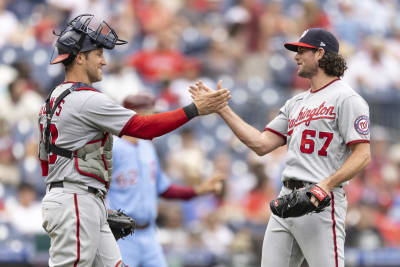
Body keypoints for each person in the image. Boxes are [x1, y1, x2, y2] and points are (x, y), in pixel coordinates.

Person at [37, 14, 230, 267]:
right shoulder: (85, 98)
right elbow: (142, 127)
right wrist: (193, 109)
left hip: (80, 198)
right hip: (75, 200)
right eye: (98, 54)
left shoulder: (51, 101)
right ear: (80, 57)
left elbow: (44, 164)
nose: (104, 61)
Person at [191, 28, 371, 267]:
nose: (296, 56)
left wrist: (326, 185)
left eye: (302, 51)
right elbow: (261, 144)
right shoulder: (296, 102)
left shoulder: (347, 99)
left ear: (319, 53)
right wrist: (222, 109)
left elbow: (363, 154)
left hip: (321, 200)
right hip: (287, 198)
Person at [107, 93, 225, 267]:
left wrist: (198, 190)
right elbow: (98, 189)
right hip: (120, 235)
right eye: (152, 112)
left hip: (148, 233)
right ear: (137, 115)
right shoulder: (113, 147)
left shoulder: (148, 147)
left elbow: (163, 189)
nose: (157, 117)